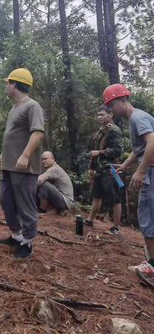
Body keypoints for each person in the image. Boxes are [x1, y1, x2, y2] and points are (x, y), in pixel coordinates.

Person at [104, 84, 154, 276]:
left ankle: (152, 265)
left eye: (112, 105)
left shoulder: (137, 118)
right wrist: (125, 165)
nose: (111, 111)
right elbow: (139, 149)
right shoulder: (138, 117)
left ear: (123, 101)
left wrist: (141, 171)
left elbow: (152, 143)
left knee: (147, 216)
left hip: (151, 171)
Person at [0, 68, 44, 259]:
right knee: (6, 200)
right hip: (9, 166)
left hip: (25, 167)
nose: (6, 86)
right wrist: (3, 154)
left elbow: (38, 133)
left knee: (25, 204)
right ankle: (16, 236)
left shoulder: (32, 106)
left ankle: (27, 242)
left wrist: (25, 156)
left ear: (14, 83)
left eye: (7, 83)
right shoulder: (14, 108)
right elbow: (13, 136)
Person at [83, 105, 123, 234]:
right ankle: (90, 220)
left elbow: (117, 150)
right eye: (98, 115)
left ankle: (115, 227)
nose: (99, 117)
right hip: (99, 170)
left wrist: (99, 153)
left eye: (102, 114)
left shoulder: (114, 130)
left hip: (110, 169)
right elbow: (94, 152)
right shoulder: (100, 131)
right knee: (96, 195)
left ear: (110, 115)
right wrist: (91, 167)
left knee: (114, 198)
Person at [37, 152, 74, 216]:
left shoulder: (54, 169)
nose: (43, 161)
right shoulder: (51, 169)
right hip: (62, 200)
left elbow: (40, 180)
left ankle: (42, 211)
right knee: (39, 185)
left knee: (44, 184)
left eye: (45, 159)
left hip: (65, 202)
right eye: (42, 159)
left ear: (52, 159)